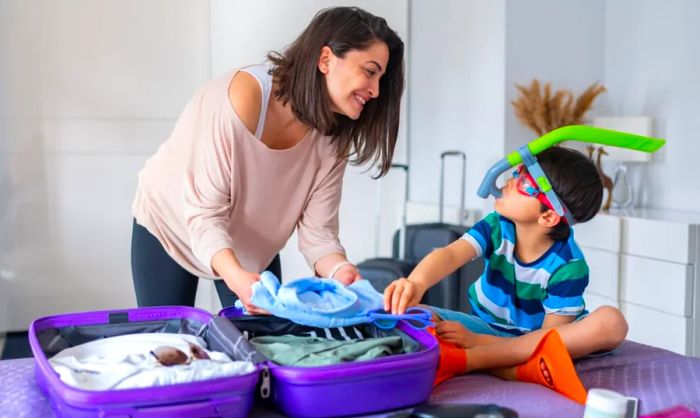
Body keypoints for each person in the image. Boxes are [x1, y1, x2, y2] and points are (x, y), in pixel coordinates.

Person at [131, 7, 405, 313]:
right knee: (171, 342)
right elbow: (205, 215)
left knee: (263, 348)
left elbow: (319, 235)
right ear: (326, 59)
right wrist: (237, 278)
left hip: (252, 244)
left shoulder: (334, 135)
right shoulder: (244, 99)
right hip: (174, 223)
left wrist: (342, 272)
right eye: (369, 71)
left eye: (381, 77)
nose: (376, 91)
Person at [383, 146, 629, 403]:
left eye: (523, 182)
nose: (510, 181)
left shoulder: (568, 267)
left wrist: (478, 344)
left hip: (534, 339)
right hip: (486, 327)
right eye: (518, 172)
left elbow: (546, 340)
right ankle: (510, 367)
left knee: (612, 322)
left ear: (547, 216)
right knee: (409, 314)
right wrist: (415, 282)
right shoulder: (496, 226)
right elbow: (450, 255)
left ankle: (475, 360)